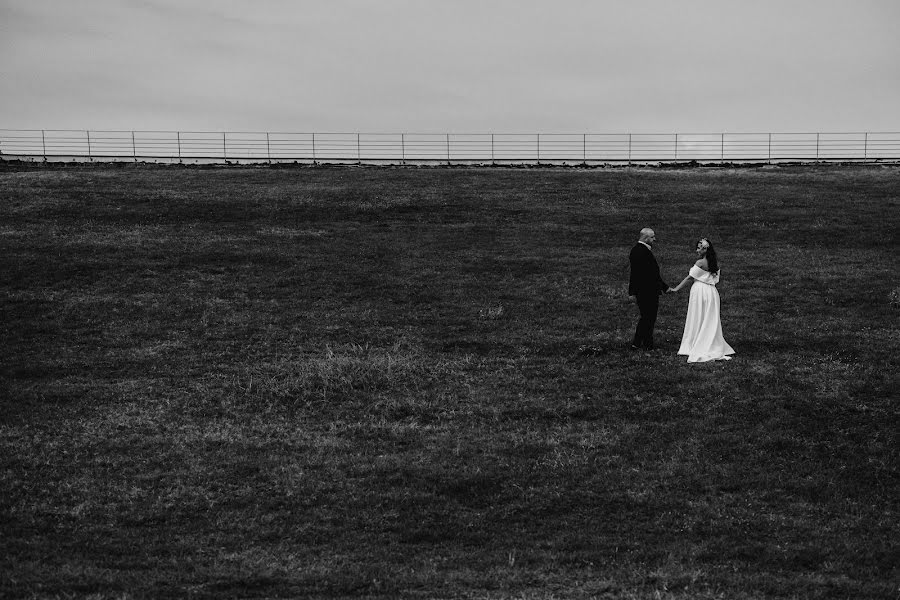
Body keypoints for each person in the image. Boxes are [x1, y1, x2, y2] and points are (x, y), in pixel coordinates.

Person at [670, 238, 735, 362]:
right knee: (710, 318)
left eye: (699, 248)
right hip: (711, 292)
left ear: (705, 249)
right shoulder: (715, 263)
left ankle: (696, 343)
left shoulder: (700, 263)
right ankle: (710, 341)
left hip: (700, 291)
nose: (697, 250)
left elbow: (690, 278)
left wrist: (676, 289)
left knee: (697, 315)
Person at [628, 227, 670, 350]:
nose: (654, 239)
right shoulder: (641, 252)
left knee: (648, 317)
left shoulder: (638, 250)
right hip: (647, 291)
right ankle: (638, 343)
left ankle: (647, 342)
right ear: (646, 238)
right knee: (648, 317)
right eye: (652, 237)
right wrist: (665, 287)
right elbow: (651, 274)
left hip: (644, 290)